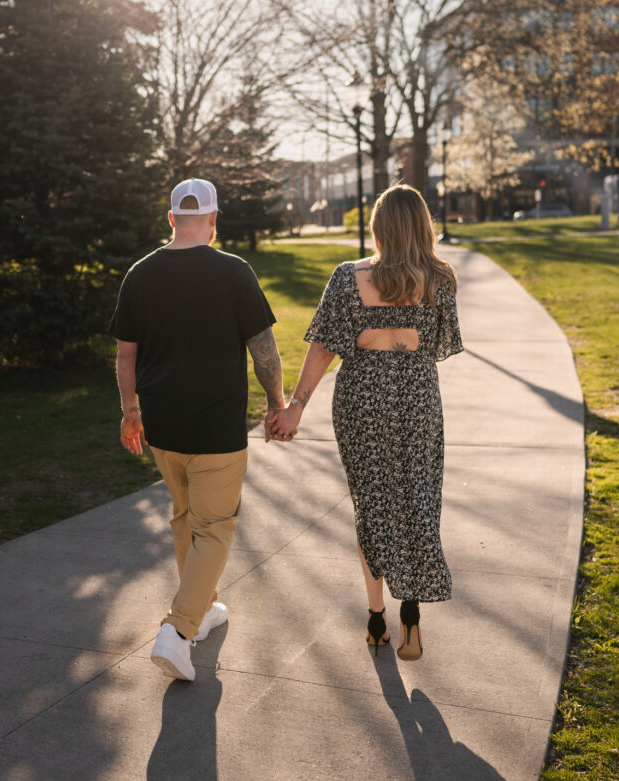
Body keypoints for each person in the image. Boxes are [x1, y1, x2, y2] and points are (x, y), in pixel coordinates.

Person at [267, 184, 463, 660]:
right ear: (423, 226)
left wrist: (296, 406)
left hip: (361, 397)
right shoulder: (440, 280)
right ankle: (411, 618)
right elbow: (439, 347)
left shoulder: (346, 277)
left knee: (371, 504)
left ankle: (376, 617)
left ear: (378, 227)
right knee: (416, 500)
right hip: (417, 396)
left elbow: (323, 347)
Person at [109, 177, 286, 681]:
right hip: (216, 428)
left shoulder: (140, 274)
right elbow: (264, 348)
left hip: (164, 427)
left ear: (170, 219)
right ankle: (178, 629)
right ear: (214, 220)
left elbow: (126, 354)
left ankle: (204, 610)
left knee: (186, 518)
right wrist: (277, 405)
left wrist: (130, 412)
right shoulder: (233, 271)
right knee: (215, 528)